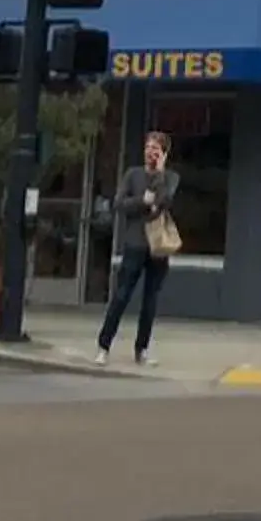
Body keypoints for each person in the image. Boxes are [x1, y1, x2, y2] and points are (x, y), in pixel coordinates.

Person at [96, 130, 180, 366]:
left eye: (156, 148)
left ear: (164, 153)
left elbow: (165, 201)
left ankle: (141, 348)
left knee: (150, 300)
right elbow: (119, 203)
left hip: (157, 247)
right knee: (122, 295)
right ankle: (104, 345)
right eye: (148, 147)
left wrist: (160, 174)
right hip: (135, 243)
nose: (151, 152)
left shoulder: (170, 177)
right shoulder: (133, 174)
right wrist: (141, 202)